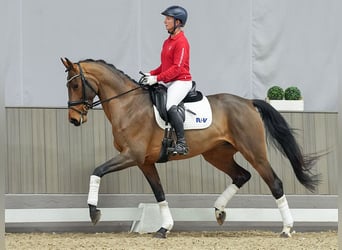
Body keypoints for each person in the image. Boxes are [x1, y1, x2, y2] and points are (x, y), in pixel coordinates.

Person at [143, 5, 192, 155]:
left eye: (168, 19)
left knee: (170, 105)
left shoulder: (181, 42)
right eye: (166, 18)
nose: (165, 21)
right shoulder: (167, 42)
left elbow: (177, 68)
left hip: (182, 81)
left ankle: (182, 143)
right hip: (171, 81)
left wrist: (157, 78)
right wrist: (150, 73)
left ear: (178, 22)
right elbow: (165, 66)